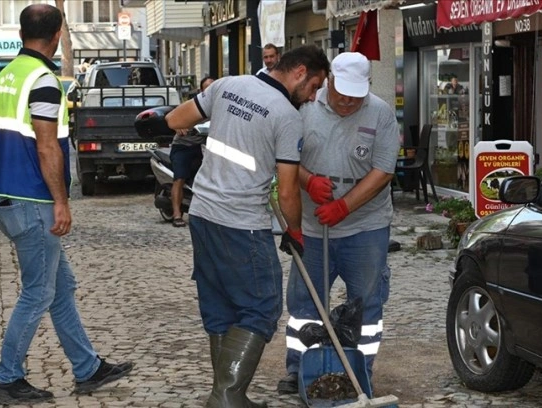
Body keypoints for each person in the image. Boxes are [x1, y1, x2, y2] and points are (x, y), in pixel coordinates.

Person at [0, 4, 133, 405]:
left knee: (59, 288)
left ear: (20, 31)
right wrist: (61, 202)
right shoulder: (44, 79)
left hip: (9, 197)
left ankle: (87, 368)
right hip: (34, 201)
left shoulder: (9, 74)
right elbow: (48, 146)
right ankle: (6, 378)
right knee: (37, 293)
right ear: (57, 35)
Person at [165, 44, 330, 407]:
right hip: (242, 223)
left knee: (221, 307)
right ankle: (227, 395)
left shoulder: (228, 84)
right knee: (261, 307)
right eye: (315, 86)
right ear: (300, 72)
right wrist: (295, 230)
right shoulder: (287, 116)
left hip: (203, 214)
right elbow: (287, 191)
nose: (314, 95)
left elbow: (175, 120)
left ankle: (227, 396)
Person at [277, 52, 400, 395]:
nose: (347, 101)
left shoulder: (381, 113)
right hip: (314, 227)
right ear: (329, 80)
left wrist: (345, 205)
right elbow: (285, 158)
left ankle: (360, 368)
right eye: (341, 92)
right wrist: (308, 181)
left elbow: (383, 170)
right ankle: (299, 369)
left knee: (367, 301)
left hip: (366, 226)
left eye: (355, 95)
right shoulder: (304, 107)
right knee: (305, 302)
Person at [169, 75, 215, 227]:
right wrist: (178, 126)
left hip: (205, 147)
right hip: (183, 146)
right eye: (206, 88)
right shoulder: (192, 105)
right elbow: (171, 118)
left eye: (212, 88)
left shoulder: (219, 107)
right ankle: (176, 214)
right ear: (201, 91)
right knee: (179, 178)